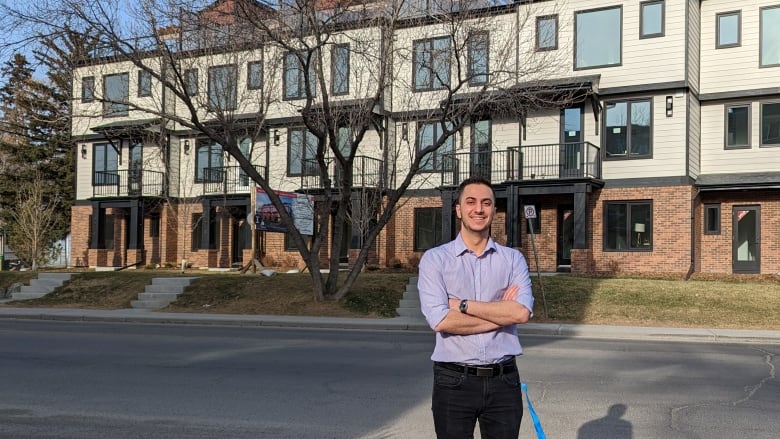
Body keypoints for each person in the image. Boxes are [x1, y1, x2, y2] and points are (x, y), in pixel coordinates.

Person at [418, 176, 534, 439]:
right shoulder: (435, 260)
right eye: (470, 202)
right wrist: (502, 313)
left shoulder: (513, 259)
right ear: (458, 210)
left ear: (494, 210)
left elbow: (521, 312)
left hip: (504, 380)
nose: (478, 209)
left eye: (486, 203)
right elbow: (441, 321)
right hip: (453, 381)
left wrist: (462, 305)